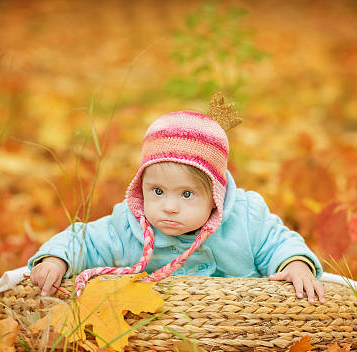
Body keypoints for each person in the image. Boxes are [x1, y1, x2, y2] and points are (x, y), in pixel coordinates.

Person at [28, 110, 325, 303]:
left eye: (187, 194)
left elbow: (277, 242)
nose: (169, 207)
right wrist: (57, 259)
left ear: (216, 195)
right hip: (161, 335)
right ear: (140, 186)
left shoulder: (245, 218)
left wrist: (295, 264)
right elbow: (85, 241)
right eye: (157, 191)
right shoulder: (129, 226)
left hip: (240, 325)